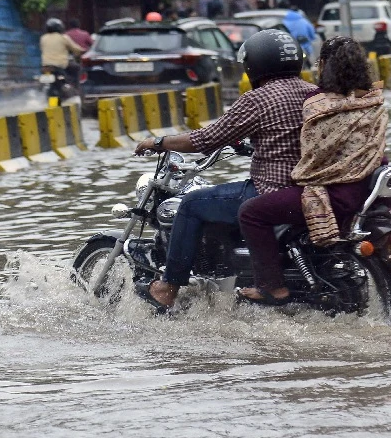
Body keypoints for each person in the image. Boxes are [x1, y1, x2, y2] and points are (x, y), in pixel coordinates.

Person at [132, 29, 312, 311]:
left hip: (270, 190)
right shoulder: (313, 93)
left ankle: (168, 287)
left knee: (191, 204)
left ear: (255, 65)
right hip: (309, 189)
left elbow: (206, 140)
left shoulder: (258, 99)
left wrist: (159, 142)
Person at [237, 36, 386, 304]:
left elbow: (313, 157)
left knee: (251, 212)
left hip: (335, 196)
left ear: (326, 65)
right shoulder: (375, 100)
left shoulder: (317, 103)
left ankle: (271, 287)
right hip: (371, 195)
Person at [39, 18, 85, 104]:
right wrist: (83, 51)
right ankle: (75, 87)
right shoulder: (63, 38)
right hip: (59, 66)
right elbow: (76, 49)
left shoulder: (43, 38)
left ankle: (52, 101)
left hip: (45, 67)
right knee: (77, 68)